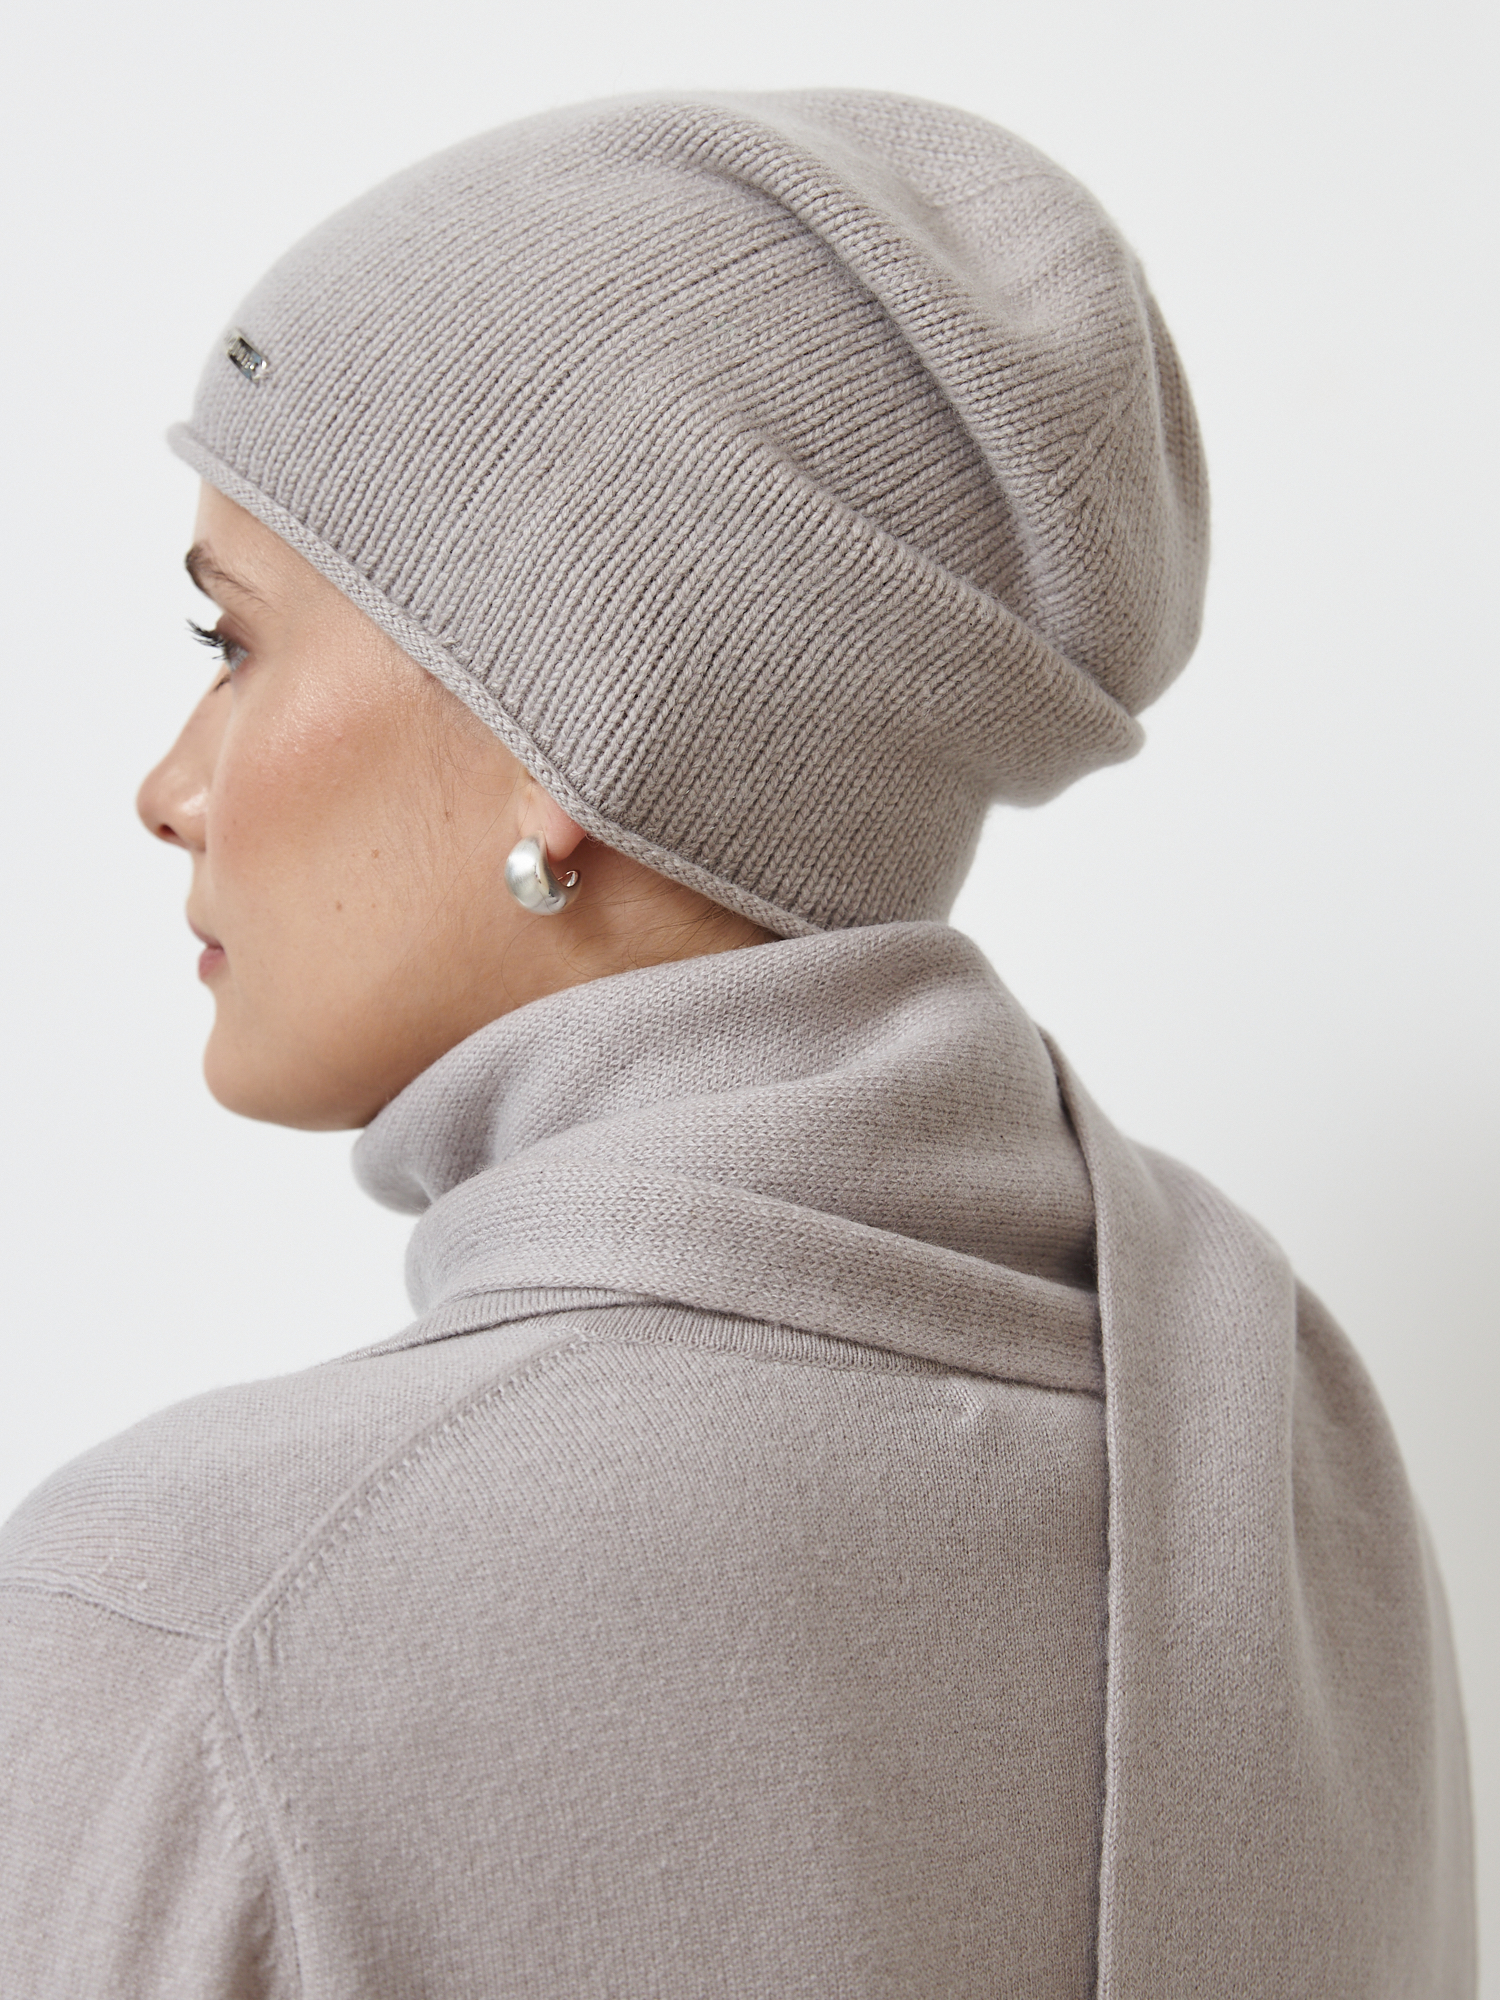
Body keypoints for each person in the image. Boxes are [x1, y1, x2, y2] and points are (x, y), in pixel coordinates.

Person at [0, 90, 1474, 1998]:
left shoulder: (189, 1628)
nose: (168, 788)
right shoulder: (1299, 1509)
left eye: (234, 643)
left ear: (565, 724)